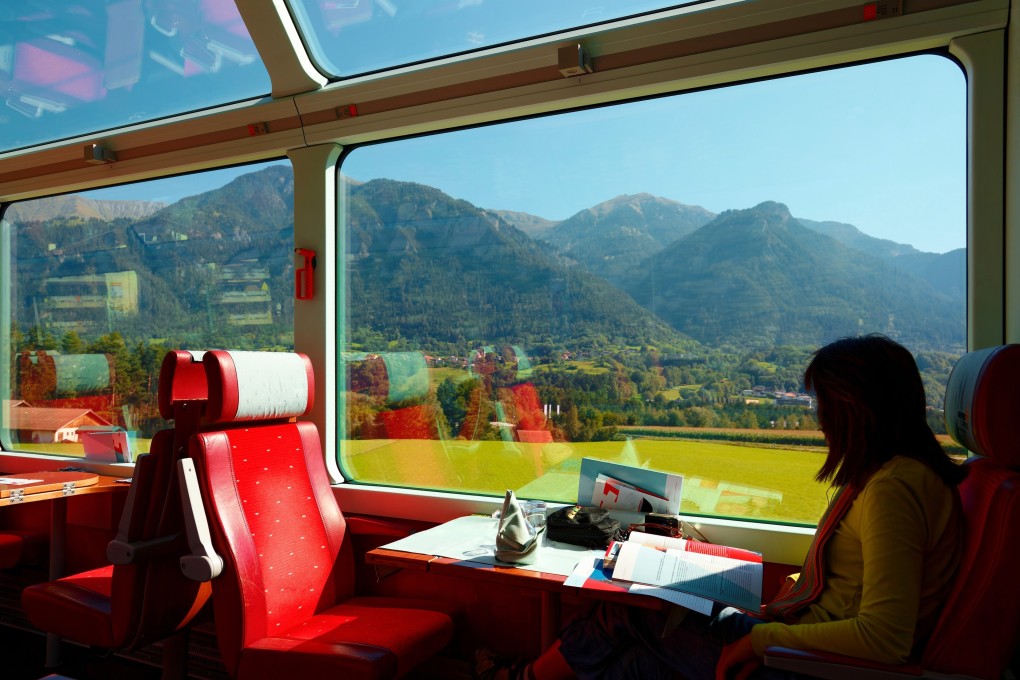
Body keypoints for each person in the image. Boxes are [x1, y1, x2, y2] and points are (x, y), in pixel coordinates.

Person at [474, 334, 966, 680]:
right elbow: (855, 587)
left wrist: (756, 638)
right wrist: (799, 588)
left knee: (631, 612)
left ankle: (523, 677)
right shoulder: (895, 476)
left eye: (825, 404)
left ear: (857, 409)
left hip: (803, 665)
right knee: (632, 666)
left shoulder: (893, 490)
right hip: (797, 637)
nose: (819, 418)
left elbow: (884, 637)